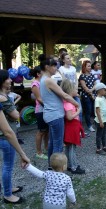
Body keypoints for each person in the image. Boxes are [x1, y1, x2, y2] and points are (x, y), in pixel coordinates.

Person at [40, 56, 79, 168]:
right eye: (54, 66)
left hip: (50, 114)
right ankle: (56, 172)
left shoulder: (44, 79)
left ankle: (50, 166)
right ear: (47, 67)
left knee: (52, 143)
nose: (56, 68)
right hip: (55, 115)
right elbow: (65, 95)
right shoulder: (48, 80)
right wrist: (76, 104)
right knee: (58, 145)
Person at [0, 70, 30, 204]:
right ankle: (7, 195)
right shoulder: (2, 98)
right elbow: (16, 116)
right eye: (8, 79)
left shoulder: (3, 95)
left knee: (6, 166)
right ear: (2, 81)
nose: (11, 80)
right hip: (5, 138)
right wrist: (22, 153)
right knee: (7, 166)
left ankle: (8, 188)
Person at [60, 79, 85, 174]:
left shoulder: (67, 102)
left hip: (72, 126)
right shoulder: (69, 104)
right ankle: (73, 166)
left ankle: (70, 165)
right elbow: (69, 117)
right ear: (70, 91)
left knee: (69, 147)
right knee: (72, 147)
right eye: (75, 89)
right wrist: (78, 111)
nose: (77, 91)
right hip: (72, 127)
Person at [30, 66, 48, 159]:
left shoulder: (42, 82)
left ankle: (46, 148)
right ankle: (39, 152)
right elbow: (39, 99)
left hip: (46, 109)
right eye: (43, 72)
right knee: (41, 131)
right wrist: (48, 106)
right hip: (40, 110)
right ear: (38, 74)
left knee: (46, 131)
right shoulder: (35, 84)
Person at [79, 60, 96, 132]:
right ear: (84, 67)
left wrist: (92, 91)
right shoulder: (82, 76)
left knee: (93, 110)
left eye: (90, 66)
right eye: (88, 66)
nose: (90, 67)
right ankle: (89, 125)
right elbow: (84, 87)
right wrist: (91, 93)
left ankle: (93, 123)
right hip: (86, 96)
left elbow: (95, 84)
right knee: (88, 111)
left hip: (93, 95)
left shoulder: (92, 75)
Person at [94, 83, 106, 155]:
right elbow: (97, 111)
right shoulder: (97, 99)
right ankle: (98, 148)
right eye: (104, 90)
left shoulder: (103, 98)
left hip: (105, 119)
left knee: (104, 134)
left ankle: (104, 146)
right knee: (99, 135)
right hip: (100, 120)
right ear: (99, 90)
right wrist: (100, 122)